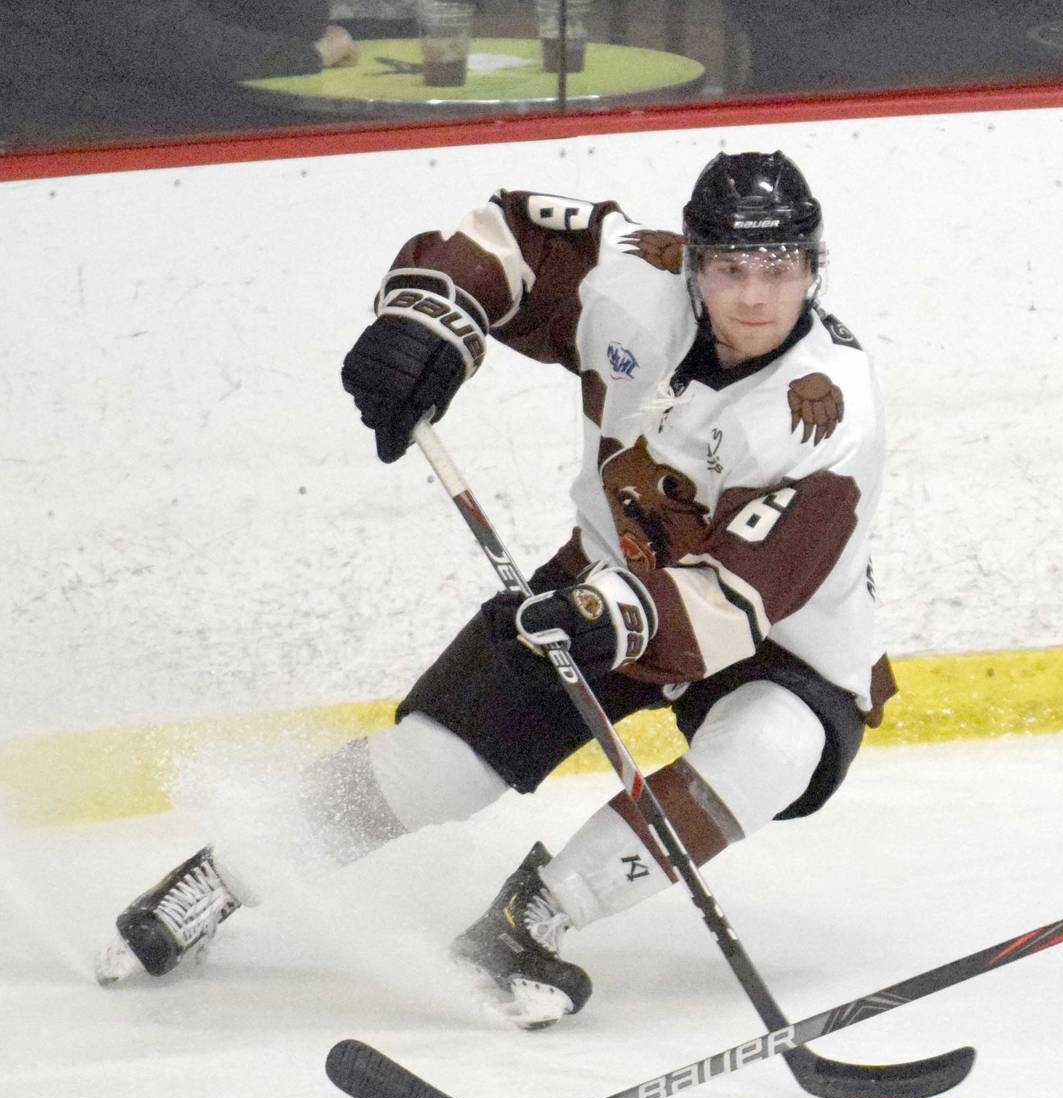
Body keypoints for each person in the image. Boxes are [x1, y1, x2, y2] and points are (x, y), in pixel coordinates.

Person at [98, 150, 896, 1031]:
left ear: (815, 268)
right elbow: (513, 237)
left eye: (780, 269)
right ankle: (227, 871)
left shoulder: (832, 410)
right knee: (435, 769)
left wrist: (608, 616)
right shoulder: (634, 281)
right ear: (694, 262)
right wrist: (430, 318)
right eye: (731, 268)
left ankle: (530, 921)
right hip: (603, 581)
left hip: (779, 643)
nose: (754, 295)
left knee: (774, 744)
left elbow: (744, 593)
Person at [0, 1, 354, 151]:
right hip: (70, 136)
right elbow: (156, 37)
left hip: (164, 111)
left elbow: (294, 22)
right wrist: (308, 54)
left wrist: (297, 47)